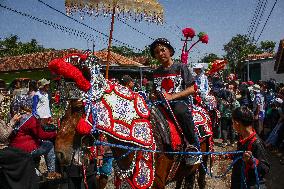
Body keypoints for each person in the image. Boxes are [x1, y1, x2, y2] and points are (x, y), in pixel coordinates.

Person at [149, 38, 199, 165]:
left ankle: (193, 147)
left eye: (163, 50)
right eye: (156, 52)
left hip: (179, 102)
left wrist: (172, 97)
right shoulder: (155, 72)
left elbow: (193, 88)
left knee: (180, 111)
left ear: (170, 51)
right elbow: (155, 91)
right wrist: (153, 96)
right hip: (161, 104)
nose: (160, 54)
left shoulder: (181, 67)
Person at [9, 94, 61, 180]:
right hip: (27, 149)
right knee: (49, 145)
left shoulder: (12, 116)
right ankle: (51, 172)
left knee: (39, 144)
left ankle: (35, 169)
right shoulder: (28, 118)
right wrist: (54, 133)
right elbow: (41, 134)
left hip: (14, 147)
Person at [0, 97, 39, 189]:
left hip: (7, 146)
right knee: (25, 158)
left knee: (23, 155)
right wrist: (12, 122)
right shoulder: (30, 118)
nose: (2, 106)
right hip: (2, 148)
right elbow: (3, 137)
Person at [230, 106, 270, 189]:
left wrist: (252, 161)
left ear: (237, 123)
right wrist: (230, 156)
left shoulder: (256, 143)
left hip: (248, 184)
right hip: (239, 181)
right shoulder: (242, 138)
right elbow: (241, 156)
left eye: (232, 122)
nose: (232, 125)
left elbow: (265, 168)